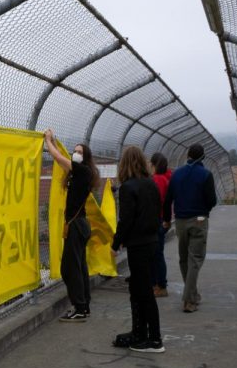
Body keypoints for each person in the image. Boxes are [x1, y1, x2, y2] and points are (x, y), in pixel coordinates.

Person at [44, 129, 101, 322]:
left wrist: (48, 141)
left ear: (85, 157)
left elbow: (58, 157)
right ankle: (83, 306)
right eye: (74, 151)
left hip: (76, 226)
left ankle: (79, 306)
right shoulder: (84, 173)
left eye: (79, 152)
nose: (75, 154)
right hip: (80, 224)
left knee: (69, 268)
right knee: (79, 266)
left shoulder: (82, 171)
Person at [111, 146, 164, 353]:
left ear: (124, 164)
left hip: (138, 245)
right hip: (151, 242)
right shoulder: (150, 184)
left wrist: (116, 244)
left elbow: (125, 220)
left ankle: (154, 339)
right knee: (139, 289)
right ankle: (139, 332)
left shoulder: (127, 187)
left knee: (142, 292)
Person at [163, 143, 217, 313]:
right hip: (199, 220)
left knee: (184, 258)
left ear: (188, 155)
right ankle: (189, 300)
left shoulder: (176, 174)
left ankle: (192, 293)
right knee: (196, 259)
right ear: (203, 157)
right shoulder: (206, 175)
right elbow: (212, 201)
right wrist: (204, 210)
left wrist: (166, 220)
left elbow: (168, 199)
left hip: (180, 221)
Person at [150, 153, 172, 298]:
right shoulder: (166, 179)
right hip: (162, 220)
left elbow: (156, 201)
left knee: (156, 255)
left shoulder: (157, 180)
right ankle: (158, 284)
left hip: (156, 220)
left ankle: (160, 285)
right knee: (157, 254)